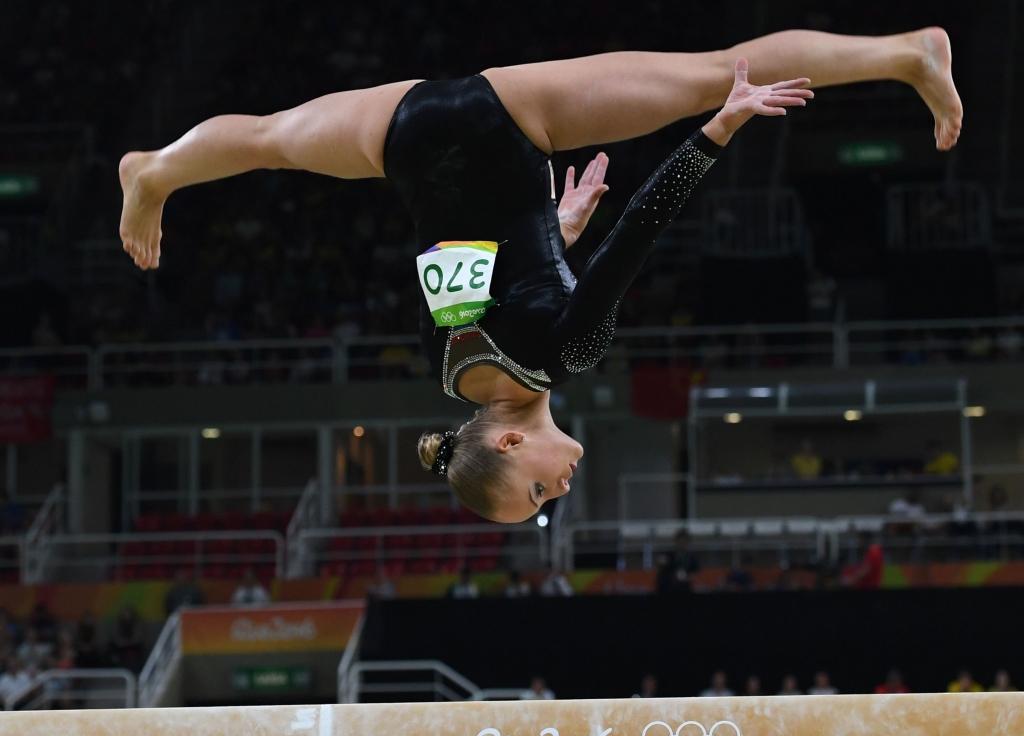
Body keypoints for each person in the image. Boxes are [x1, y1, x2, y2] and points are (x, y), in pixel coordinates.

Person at [119, 28, 961, 521]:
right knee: (268, 139)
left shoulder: (570, 355)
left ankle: (908, 55)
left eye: (533, 495)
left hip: (512, 123)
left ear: (514, 441)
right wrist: (551, 236)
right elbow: (453, 249)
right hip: (405, 136)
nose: (555, 496)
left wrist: (720, 131)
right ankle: (155, 171)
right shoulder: (451, 368)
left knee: (720, 72)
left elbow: (639, 231)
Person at [107, 605, 145, 674]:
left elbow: (137, 638)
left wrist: (128, 642)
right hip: (121, 646)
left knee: (141, 648)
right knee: (111, 647)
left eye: (128, 613)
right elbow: (116, 637)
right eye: (124, 613)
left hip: (133, 646)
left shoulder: (136, 624)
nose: (126, 615)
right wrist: (122, 643)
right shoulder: (118, 624)